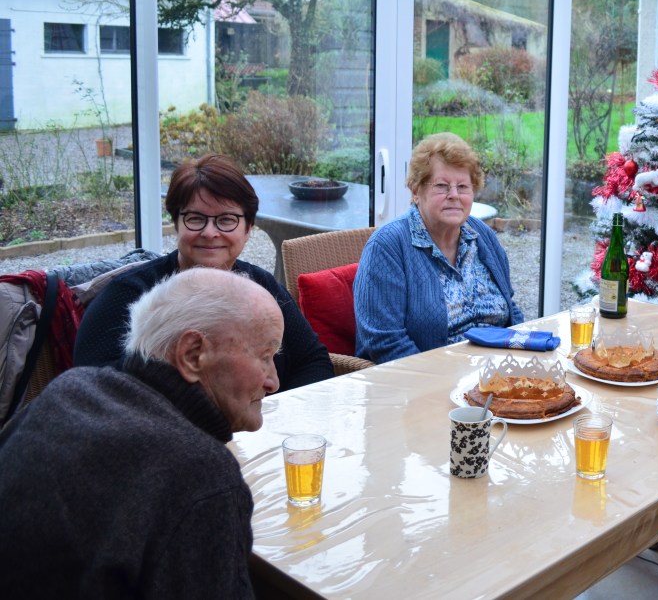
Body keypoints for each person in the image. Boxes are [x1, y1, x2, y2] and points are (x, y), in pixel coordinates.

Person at [0, 267, 283, 598]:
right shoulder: (199, 474)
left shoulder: (67, 391)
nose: (273, 382)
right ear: (192, 354)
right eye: (265, 357)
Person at [74, 153, 332, 390]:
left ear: (248, 228)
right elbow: (92, 387)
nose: (209, 232)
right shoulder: (129, 295)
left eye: (226, 220)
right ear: (176, 223)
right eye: (195, 218)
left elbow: (313, 361)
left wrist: (273, 418)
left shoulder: (261, 287)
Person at [355, 132, 523, 362]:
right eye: (442, 186)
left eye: (463, 186)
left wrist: (524, 358)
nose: (454, 195)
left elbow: (510, 310)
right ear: (416, 191)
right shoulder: (387, 247)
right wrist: (443, 383)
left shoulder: (482, 235)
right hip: (423, 382)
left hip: (497, 374)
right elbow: (384, 341)